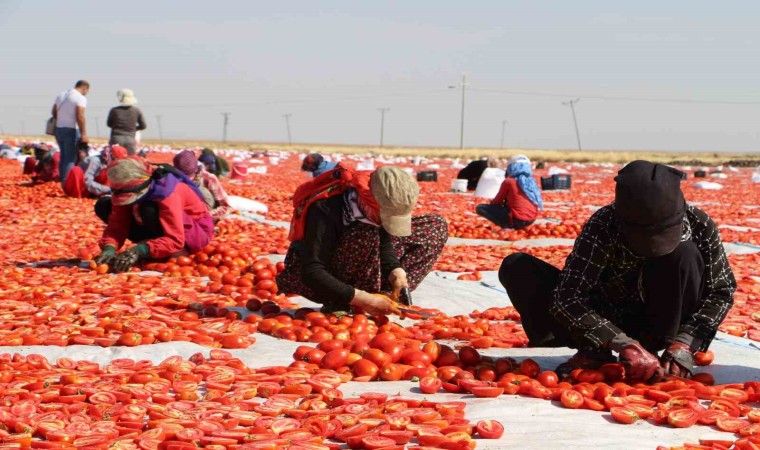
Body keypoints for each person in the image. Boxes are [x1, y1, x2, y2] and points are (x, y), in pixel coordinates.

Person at [499, 161, 736, 382]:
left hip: (661, 319)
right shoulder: (603, 224)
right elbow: (568, 296)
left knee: (685, 253)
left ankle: (655, 346)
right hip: (606, 315)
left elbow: (721, 291)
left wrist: (686, 342)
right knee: (517, 267)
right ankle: (594, 350)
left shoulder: (699, 224)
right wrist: (618, 342)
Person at [276, 165, 449, 315]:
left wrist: (396, 271)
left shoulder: (375, 209)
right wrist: (360, 298)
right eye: (384, 217)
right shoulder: (326, 208)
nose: (384, 222)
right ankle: (342, 298)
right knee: (365, 231)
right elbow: (311, 271)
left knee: (436, 225)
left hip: (363, 270)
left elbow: (384, 245)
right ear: (367, 201)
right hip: (316, 279)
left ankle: (385, 296)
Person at [92, 157, 214, 272]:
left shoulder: (167, 192)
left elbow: (176, 239)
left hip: (193, 233)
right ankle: (155, 245)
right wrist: (109, 248)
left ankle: (175, 251)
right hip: (160, 225)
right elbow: (117, 224)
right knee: (103, 205)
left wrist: (140, 250)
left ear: (141, 189)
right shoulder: (124, 186)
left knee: (148, 209)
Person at [476, 155, 542, 229]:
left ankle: (508, 226)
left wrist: (492, 205)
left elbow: (497, 201)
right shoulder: (532, 182)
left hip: (517, 219)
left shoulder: (509, 181)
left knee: (480, 208)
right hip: (531, 219)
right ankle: (518, 225)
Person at [173, 150, 233, 222]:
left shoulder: (209, 178)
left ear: (196, 170)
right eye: (182, 175)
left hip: (205, 216)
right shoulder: (172, 179)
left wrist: (205, 216)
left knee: (202, 190)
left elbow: (226, 207)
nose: (187, 179)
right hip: (183, 217)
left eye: (189, 175)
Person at [52, 80, 89, 188]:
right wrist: (84, 133)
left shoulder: (61, 95)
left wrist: (62, 119)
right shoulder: (80, 98)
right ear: (85, 88)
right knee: (70, 158)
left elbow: (54, 112)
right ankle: (68, 182)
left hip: (59, 129)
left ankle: (62, 179)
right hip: (71, 130)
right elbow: (80, 115)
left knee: (63, 156)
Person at [63, 145, 128, 198]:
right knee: (76, 170)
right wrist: (107, 189)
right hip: (79, 185)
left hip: (92, 188)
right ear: (110, 156)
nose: (117, 163)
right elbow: (87, 181)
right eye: (115, 159)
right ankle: (76, 195)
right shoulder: (95, 161)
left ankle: (97, 194)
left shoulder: (109, 163)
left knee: (110, 171)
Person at [107, 89, 147, 155]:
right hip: (130, 139)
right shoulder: (137, 111)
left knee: (115, 159)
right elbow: (143, 126)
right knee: (130, 159)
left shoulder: (114, 110)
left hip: (116, 138)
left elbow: (109, 124)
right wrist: (134, 128)